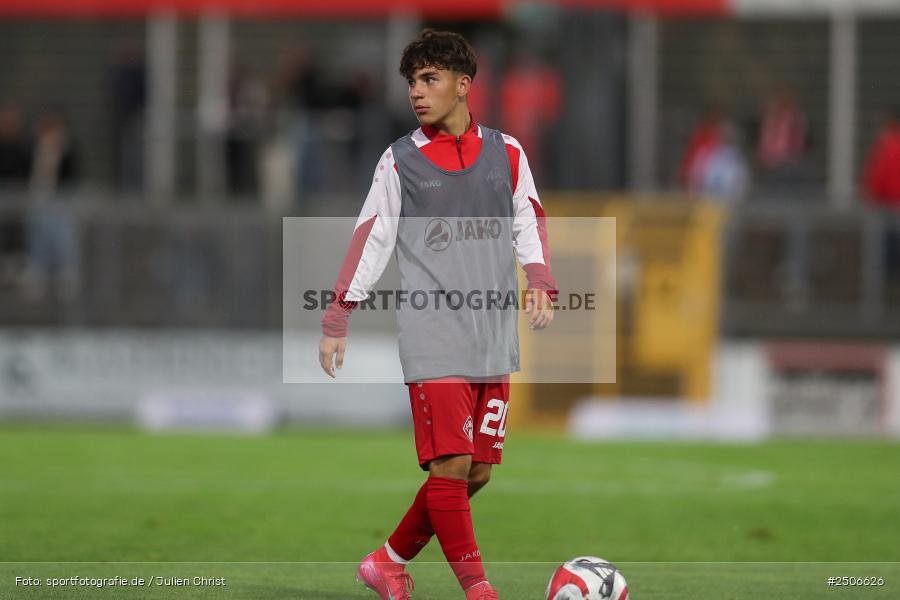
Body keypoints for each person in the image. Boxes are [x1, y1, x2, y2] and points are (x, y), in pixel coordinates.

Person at [317, 30, 557, 600]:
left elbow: (529, 220)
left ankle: (388, 562)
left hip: (492, 333)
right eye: (412, 83)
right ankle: (479, 590)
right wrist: (336, 317)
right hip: (434, 331)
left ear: (463, 85)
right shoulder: (400, 160)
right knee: (450, 465)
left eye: (429, 80)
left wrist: (540, 279)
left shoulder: (509, 153)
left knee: (476, 472)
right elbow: (372, 239)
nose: (417, 94)